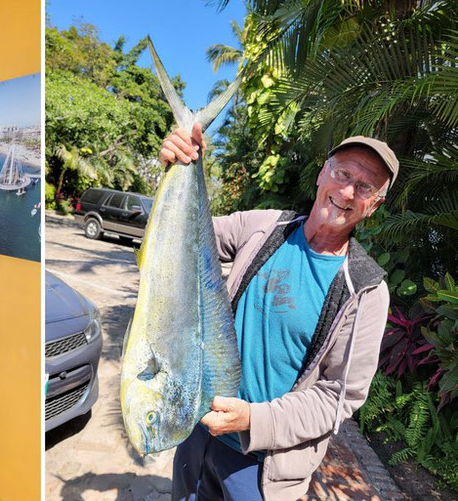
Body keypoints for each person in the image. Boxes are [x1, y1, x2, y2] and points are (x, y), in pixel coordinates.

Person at [160, 123, 395, 500]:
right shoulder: (265, 226)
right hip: (197, 432)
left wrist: (253, 420)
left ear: (374, 205)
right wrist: (178, 168)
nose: (348, 191)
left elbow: (339, 397)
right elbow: (182, 236)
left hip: (263, 467)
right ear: (323, 172)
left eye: (365, 187)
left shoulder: (365, 290)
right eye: (343, 173)